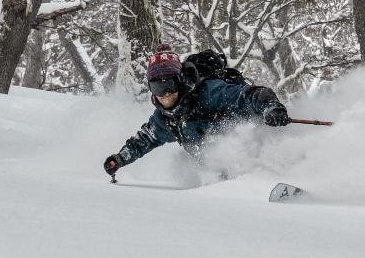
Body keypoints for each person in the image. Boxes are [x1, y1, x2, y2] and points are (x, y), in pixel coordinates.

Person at [104, 46, 291, 180]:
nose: (166, 93)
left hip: (252, 148)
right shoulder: (164, 119)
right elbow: (144, 140)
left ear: (179, 80)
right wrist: (119, 159)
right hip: (219, 175)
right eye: (158, 88)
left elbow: (250, 94)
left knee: (253, 153)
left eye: (169, 85)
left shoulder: (209, 92)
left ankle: (279, 176)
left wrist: (271, 107)